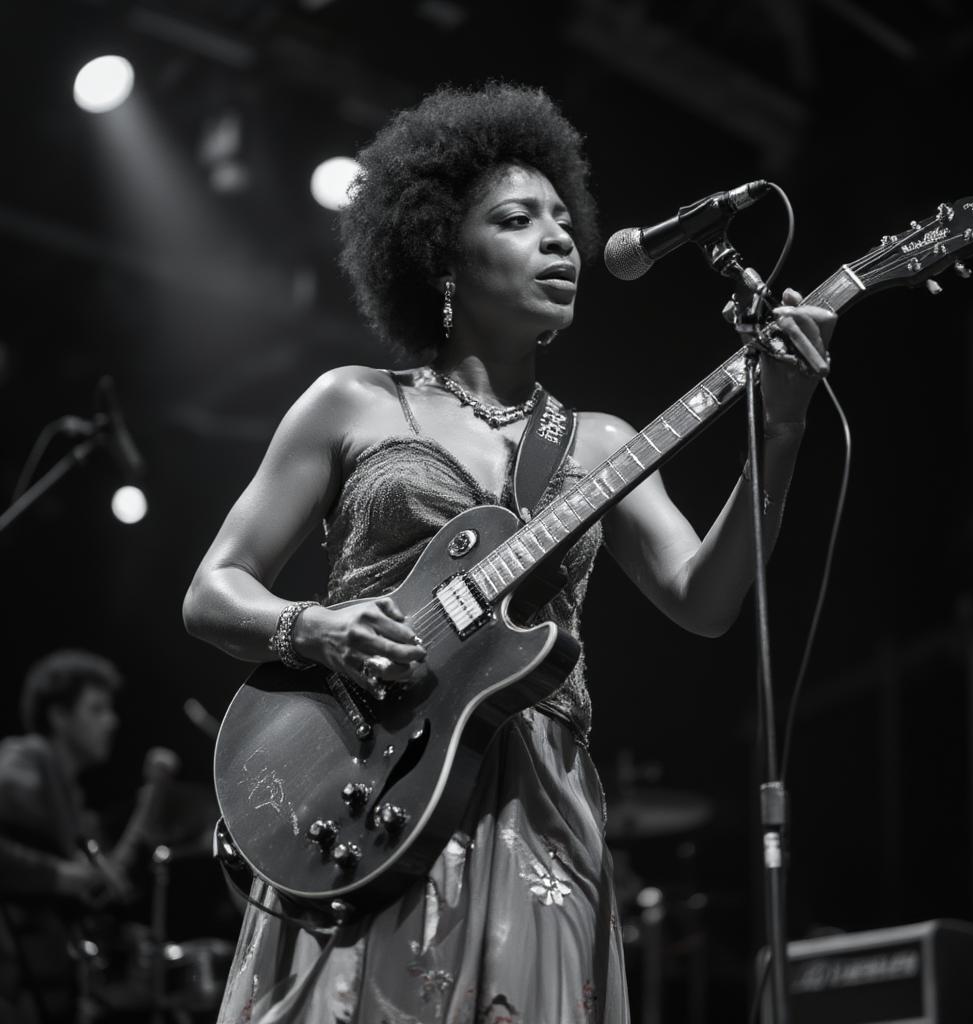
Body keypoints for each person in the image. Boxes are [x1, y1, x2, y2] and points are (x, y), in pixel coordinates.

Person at [182, 83, 834, 1024]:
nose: (561, 240)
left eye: (564, 222)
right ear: (442, 248)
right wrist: (316, 627)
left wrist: (779, 428)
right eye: (519, 220)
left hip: (533, 800)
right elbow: (211, 591)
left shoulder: (604, 442)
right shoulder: (353, 402)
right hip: (359, 789)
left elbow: (707, 600)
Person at [0, 650, 178, 1024]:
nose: (111, 722)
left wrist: (152, 797)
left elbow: (105, 882)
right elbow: (77, 878)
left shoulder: (70, 799)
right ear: (59, 717)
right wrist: (58, 876)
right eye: (96, 710)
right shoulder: (28, 761)